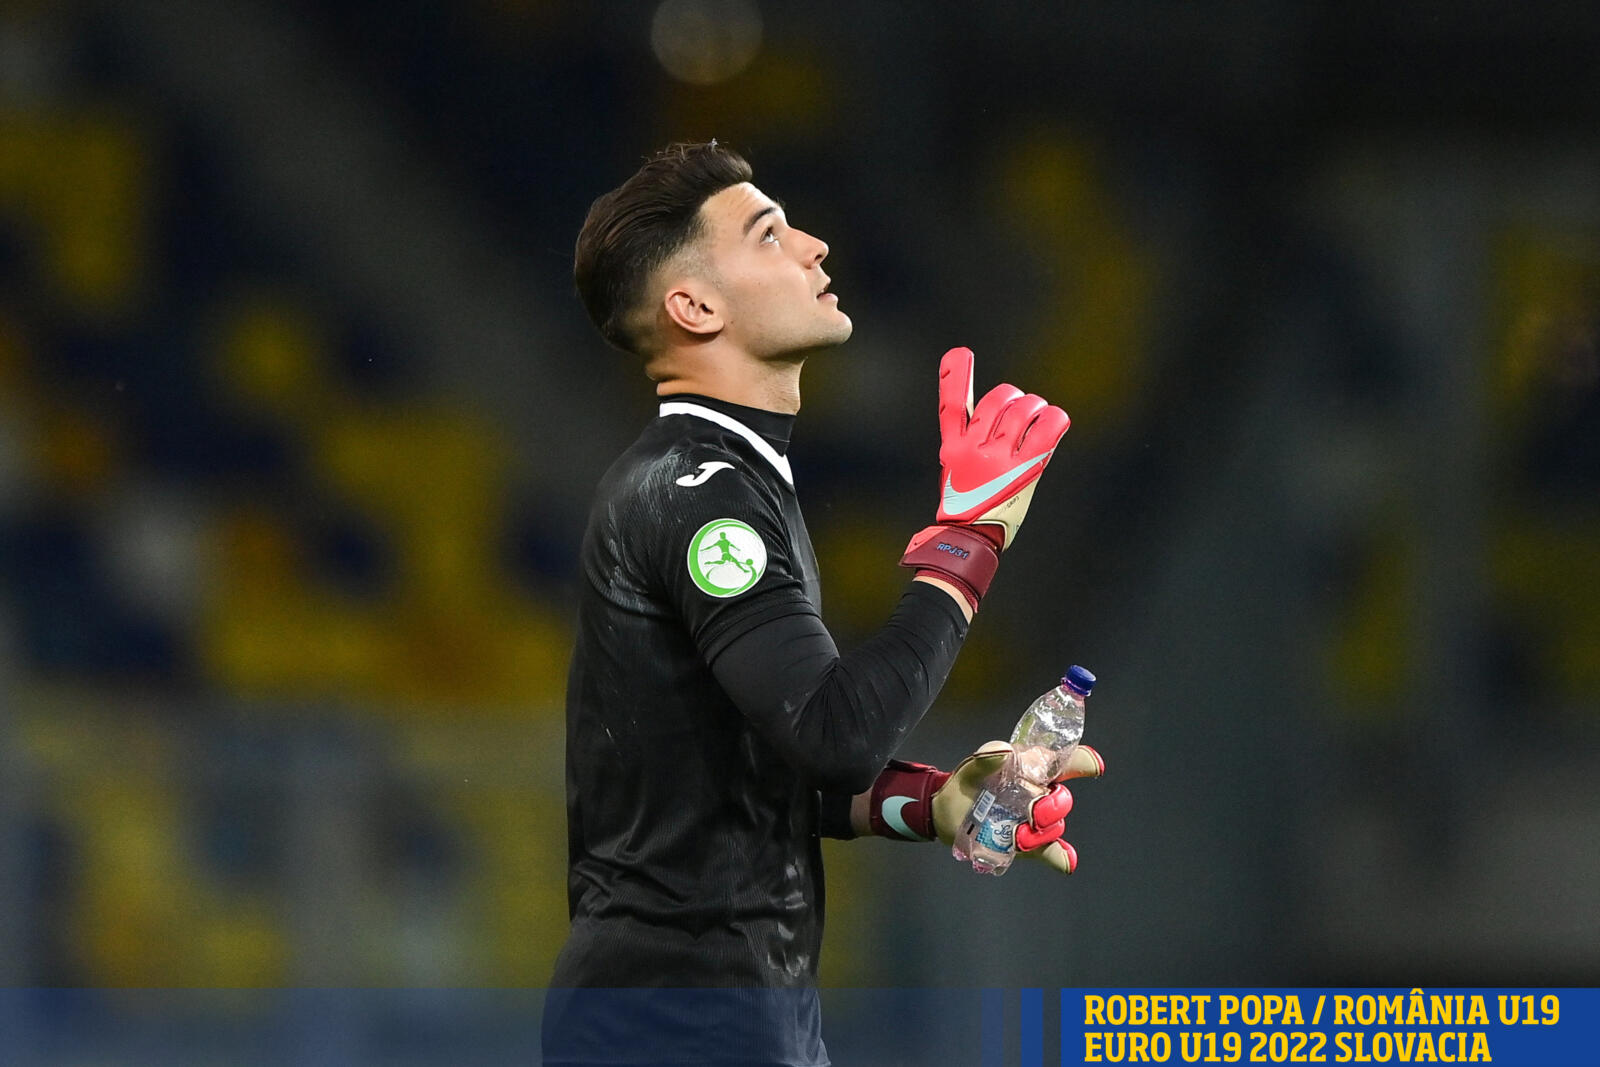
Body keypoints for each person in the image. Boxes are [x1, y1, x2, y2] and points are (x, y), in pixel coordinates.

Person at [543, 141, 1105, 1067]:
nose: (814, 246)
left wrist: (928, 802)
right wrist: (967, 540)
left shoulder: (721, 478)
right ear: (695, 307)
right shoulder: (701, 494)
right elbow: (837, 731)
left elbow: (734, 774)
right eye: (769, 234)